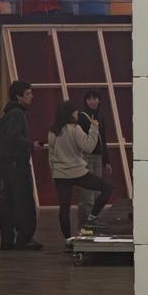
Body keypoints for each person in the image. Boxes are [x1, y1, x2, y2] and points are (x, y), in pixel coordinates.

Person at [47, 100, 113, 242]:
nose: (77, 113)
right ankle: (92, 218)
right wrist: (93, 129)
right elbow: (88, 147)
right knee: (107, 188)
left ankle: (68, 240)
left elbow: (51, 156)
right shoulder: (75, 128)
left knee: (64, 209)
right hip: (78, 172)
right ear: (70, 113)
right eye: (75, 111)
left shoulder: (53, 130)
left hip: (60, 175)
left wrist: (54, 173)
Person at [0, 80, 41, 250]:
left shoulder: (10, 113)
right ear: (19, 96)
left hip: (8, 165)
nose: (32, 96)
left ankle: (7, 239)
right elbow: (13, 137)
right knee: (23, 202)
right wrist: (31, 145)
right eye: (28, 93)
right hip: (18, 165)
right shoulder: (17, 114)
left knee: (8, 203)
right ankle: (24, 238)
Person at [76, 90, 113, 224]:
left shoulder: (101, 116)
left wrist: (106, 161)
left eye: (95, 98)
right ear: (85, 101)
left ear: (99, 100)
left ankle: (94, 217)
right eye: (89, 99)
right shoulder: (81, 117)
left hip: (98, 157)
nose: (92, 101)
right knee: (86, 193)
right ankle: (85, 221)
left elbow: (103, 139)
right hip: (85, 157)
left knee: (98, 190)